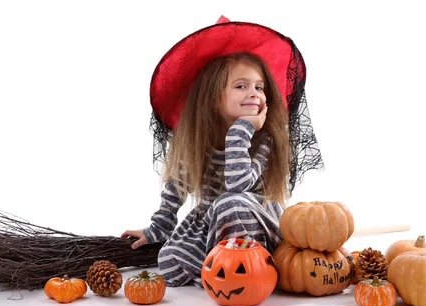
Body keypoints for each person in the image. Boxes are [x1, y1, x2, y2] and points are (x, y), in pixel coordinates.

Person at [121, 16, 324, 288]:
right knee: (169, 260)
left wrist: (241, 130)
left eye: (259, 87)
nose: (254, 93)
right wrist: (158, 228)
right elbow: (176, 188)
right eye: (241, 86)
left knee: (229, 203)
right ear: (214, 98)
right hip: (212, 225)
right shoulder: (197, 141)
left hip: (253, 219)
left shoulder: (264, 141)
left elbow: (238, 186)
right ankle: (220, 274)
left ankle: (253, 271)